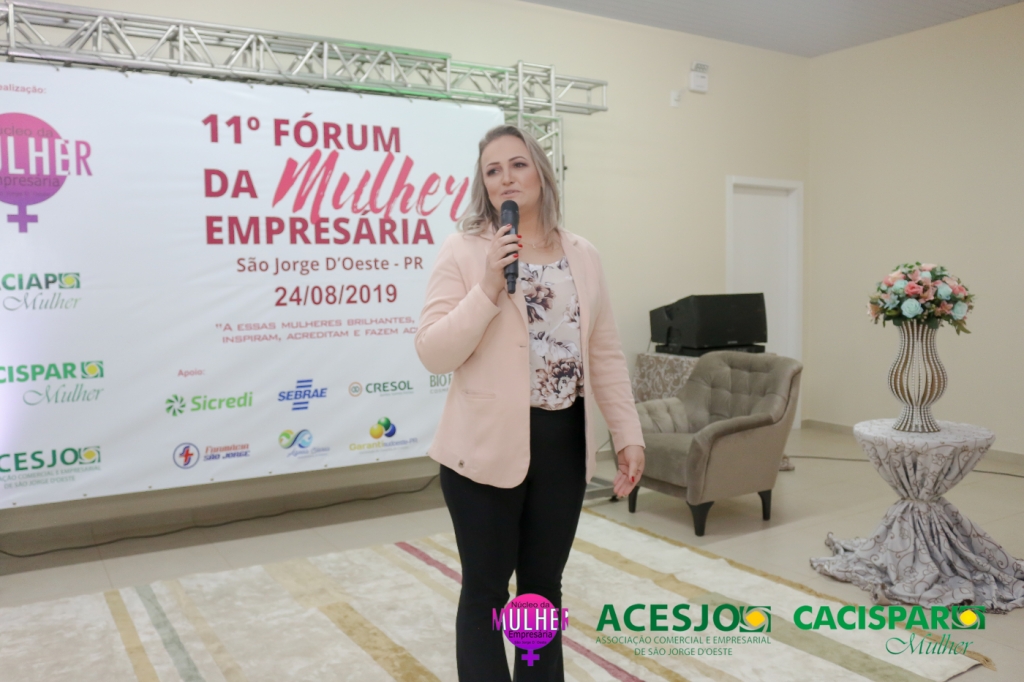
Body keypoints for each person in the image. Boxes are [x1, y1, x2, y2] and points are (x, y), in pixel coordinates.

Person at [415, 124, 645, 681]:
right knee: (487, 591)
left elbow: (605, 353)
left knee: (541, 591)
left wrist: (628, 434)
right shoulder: (465, 250)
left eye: (517, 164)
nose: (506, 178)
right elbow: (433, 352)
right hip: (482, 447)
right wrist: (488, 286)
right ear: (483, 184)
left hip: (562, 444)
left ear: (541, 172)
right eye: (492, 170)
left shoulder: (583, 255)